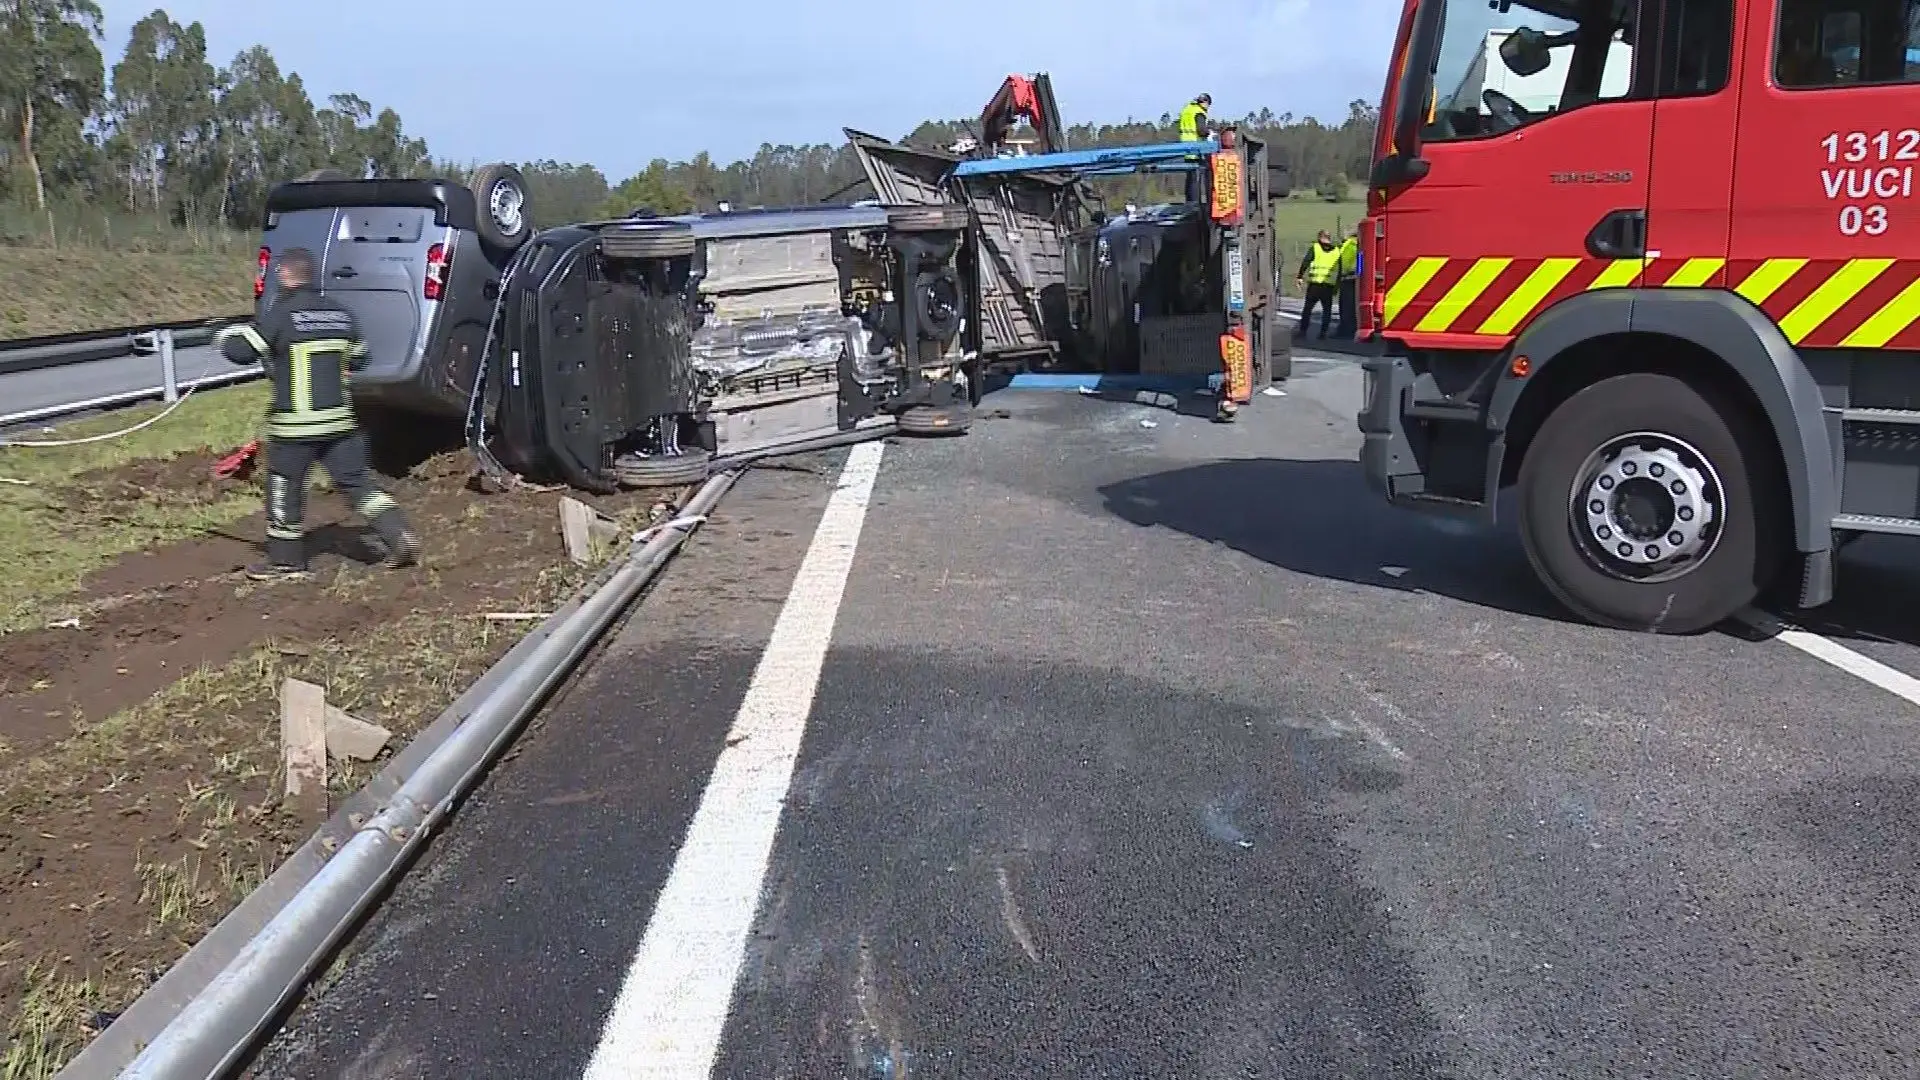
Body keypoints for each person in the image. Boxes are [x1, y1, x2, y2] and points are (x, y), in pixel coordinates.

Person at [214, 247, 420, 581]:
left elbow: (241, 351)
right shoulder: (341, 314)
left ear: (283, 275)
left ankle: (286, 561)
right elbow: (360, 359)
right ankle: (397, 533)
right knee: (358, 483)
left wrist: (222, 336)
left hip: (296, 427)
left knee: (284, 486)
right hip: (340, 424)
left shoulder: (282, 314)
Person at [1295, 230, 1341, 340]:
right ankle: (1323, 334)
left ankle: (1302, 332)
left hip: (1315, 285)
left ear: (1320, 237)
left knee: (1307, 309)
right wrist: (1336, 286)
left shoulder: (1315, 248)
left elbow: (1306, 262)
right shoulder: (1337, 251)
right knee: (1327, 311)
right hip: (1328, 286)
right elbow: (1340, 271)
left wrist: (1300, 276)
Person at [1178, 93, 1212, 203]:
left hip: (1185, 146)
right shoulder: (1199, 112)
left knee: (1190, 177)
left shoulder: (1187, 109)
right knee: (1196, 178)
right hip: (1196, 147)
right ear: (1205, 102)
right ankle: (1195, 203)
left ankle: (1189, 201)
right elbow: (1201, 131)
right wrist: (1209, 133)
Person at [1336, 223, 1361, 338]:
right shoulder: (1358, 245)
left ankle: (1345, 330)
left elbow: (1342, 262)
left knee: (1346, 307)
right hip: (1354, 278)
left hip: (1347, 278)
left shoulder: (1348, 245)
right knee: (1352, 306)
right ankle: (1352, 328)